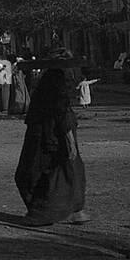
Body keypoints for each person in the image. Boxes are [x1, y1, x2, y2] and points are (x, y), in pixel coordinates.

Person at [14, 68, 88, 226]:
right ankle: (74, 211)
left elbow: (64, 119)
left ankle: (43, 213)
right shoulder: (52, 95)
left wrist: (70, 143)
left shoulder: (54, 96)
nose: (69, 84)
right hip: (47, 140)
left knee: (41, 176)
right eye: (67, 80)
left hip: (50, 142)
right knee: (67, 174)